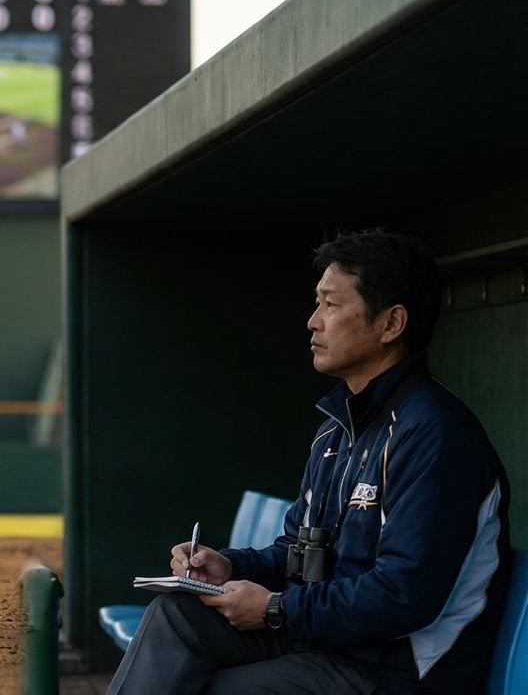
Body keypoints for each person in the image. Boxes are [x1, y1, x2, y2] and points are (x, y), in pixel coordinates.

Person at [108, 228, 512, 694]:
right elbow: (295, 553)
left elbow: (404, 595)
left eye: (331, 304)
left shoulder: (435, 433)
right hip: (328, 643)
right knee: (177, 614)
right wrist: (230, 568)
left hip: (397, 673)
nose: (313, 321)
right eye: (317, 303)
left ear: (390, 324)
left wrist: (277, 609)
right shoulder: (336, 429)